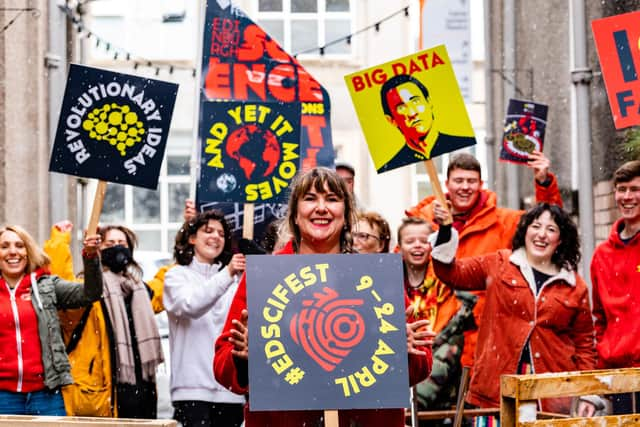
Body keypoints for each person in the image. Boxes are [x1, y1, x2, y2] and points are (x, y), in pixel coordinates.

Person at [214, 167, 434, 427]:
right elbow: (222, 364)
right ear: (295, 214)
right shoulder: (265, 277)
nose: (321, 208)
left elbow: (421, 362)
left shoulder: (375, 276)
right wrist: (243, 360)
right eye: (310, 198)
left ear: (346, 214)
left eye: (332, 199)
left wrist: (404, 352)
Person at [430, 203, 599, 418]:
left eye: (551, 229)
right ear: (525, 230)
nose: (541, 235)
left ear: (561, 240)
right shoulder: (500, 263)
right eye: (536, 226)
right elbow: (451, 273)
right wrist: (445, 230)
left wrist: (588, 392)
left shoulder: (575, 286)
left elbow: (585, 345)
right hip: (496, 388)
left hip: (552, 393)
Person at [406, 151, 562, 372]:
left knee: (479, 403)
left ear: (481, 184)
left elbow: (548, 226)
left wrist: (544, 183)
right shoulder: (420, 223)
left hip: (485, 339)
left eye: (471, 181)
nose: (465, 187)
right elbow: (401, 273)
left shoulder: (504, 222)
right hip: (433, 335)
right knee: (432, 404)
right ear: (446, 184)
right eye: (458, 180)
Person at [0, 225, 102, 415]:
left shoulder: (46, 285)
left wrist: (91, 256)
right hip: (3, 396)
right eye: (4, 246)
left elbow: (91, 293)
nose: (13, 251)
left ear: (28, 251)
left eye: (19, 246)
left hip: (45, 394)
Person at [163, 210, 246, 426]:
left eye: (221, 233)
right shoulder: (176, 276)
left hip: (229, 391)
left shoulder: (235, 281)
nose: (216, 237)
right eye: (208, 231)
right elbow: (191, 305)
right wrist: (227, 274)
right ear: (191, 239)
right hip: (192, 391)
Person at [591, 160, 640, 414]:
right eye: (622, 189)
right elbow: (599, 318)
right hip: (619, 376)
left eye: (635, 189)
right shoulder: (601, 255)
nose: (627, 196)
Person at [378, 74, 475, 173]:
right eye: (401, 107)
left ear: (429, 102)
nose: (412, 113)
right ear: (391, 120)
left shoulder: (460, 142)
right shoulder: (393, 164)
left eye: (415, 101)